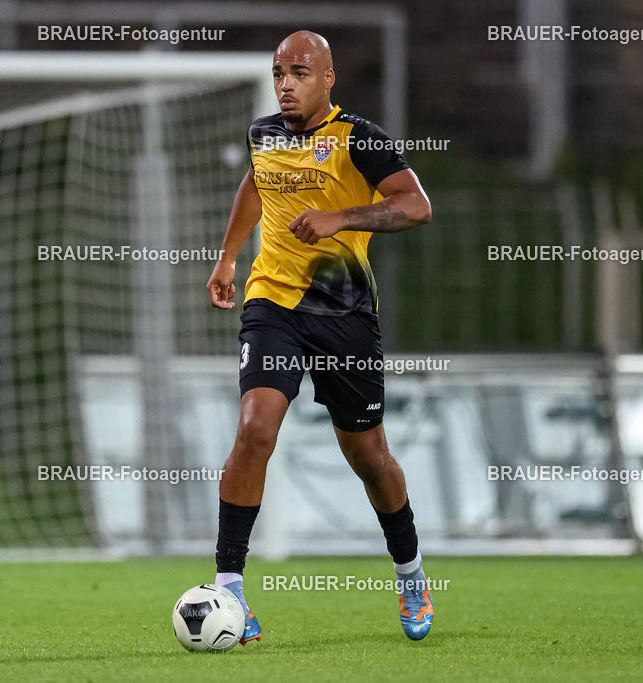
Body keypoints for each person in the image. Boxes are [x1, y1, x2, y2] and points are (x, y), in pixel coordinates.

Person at [205, 30, 434, 643]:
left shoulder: (359, 140)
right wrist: (228, 258)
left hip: (344, 315)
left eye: (300, 73)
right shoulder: (264, 135)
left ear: (327, 79)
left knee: (368, 458)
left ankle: (410, 573)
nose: (285, 83)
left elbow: (416, 206)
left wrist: (343, 217)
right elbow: (255, 186)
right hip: (272, 303)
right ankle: (230, 588)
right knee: (255, 428)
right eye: (279, 72)